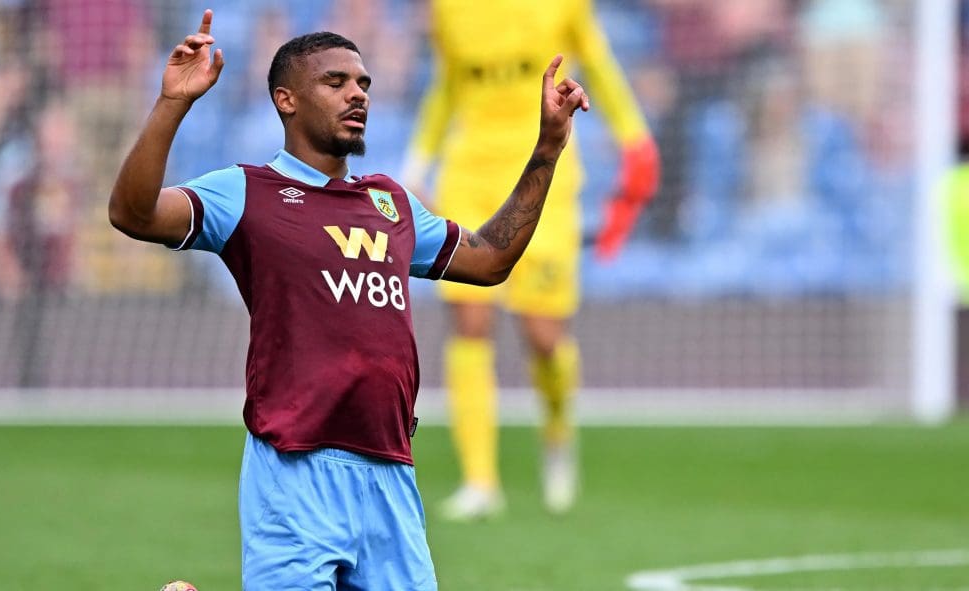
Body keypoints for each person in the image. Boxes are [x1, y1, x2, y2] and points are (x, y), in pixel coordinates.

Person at [108, 10, 588, 590]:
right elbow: (133, 214)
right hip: (295, 469)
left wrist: (548, 146)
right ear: (286, 100)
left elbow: (489, 259)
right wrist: (172, 103)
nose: (356, 94)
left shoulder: (391, 203)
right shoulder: (247, 192)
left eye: (362, 83)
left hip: (391, 473)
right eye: (335, 83)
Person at [400, 0, 659, 519]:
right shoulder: (448, 10)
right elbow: (450, 84)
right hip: (469, 174)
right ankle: (480, 481)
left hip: (544, 168)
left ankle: (558, 434)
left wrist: (635, 140)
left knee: (544, 336)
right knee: (469, 321)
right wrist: (419, 160)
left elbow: (600, 65)